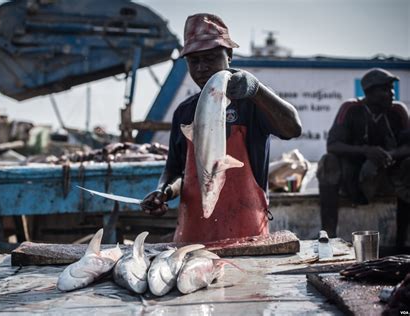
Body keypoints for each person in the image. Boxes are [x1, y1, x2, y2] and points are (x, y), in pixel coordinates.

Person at [140, 13, 302, 243]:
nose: (202, 68)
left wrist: (258, 90)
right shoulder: (185, 112)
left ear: (230, 56)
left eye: (211, 58)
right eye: (194, 61)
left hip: (248, 235)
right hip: (193, 237)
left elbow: (293, 128)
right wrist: (163, 192)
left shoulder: (254, 104)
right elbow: (176, 171)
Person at [318, 68, 410, 247]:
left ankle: (402, 241)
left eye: (391, 89)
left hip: (388, 178)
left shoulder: (398, 111)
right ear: (369, 92)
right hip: (353, 179)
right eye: (385, 89)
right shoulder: (350, 108)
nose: (391, 93)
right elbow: (333, 145)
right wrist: (366, 151)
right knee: (328, 162)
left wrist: (389, 155)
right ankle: (327, 237)